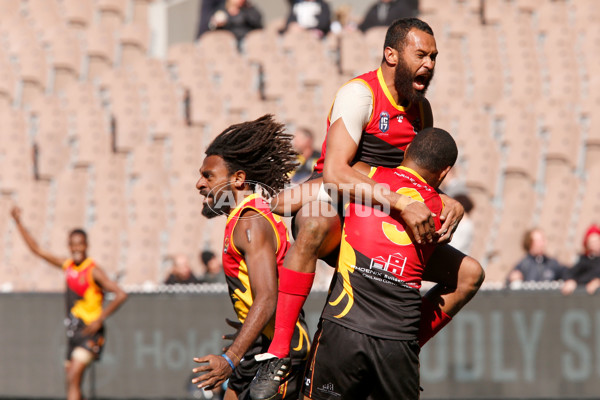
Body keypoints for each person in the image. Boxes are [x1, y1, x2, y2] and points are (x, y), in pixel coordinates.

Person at [250, 18, 485, 400]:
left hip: (384, 222)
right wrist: (401, 202)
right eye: (421, 54)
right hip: (340, 210)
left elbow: (420, 182)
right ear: (391, 55)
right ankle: (279, 355)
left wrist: (446, 200)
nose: (429, 63)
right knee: (310, 225)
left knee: (470, 275)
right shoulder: (360, 94)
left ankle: (400, 348)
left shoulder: (421, 112)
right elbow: (336, 173)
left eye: (434, 57)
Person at [305, 127, 457, 399]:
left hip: (344, 327)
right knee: (470, 274)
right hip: (398, 342)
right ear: (444, 173)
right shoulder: (444, 212)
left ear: (406, 151)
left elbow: (291, 199)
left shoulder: (364, 174)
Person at [191, 115, 310, 400]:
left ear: (238, 178)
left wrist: (230, 358)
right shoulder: (245, 215)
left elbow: (267, 297)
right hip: (260, 343)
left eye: (208, 176)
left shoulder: (250, 222)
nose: (199, 183)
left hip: (281, 350)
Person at [10, 207, 128, 400]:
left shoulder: (93, 270)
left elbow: (121, 294)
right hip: (74, 332)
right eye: (72, 245)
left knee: (73, 377)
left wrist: (100, 319)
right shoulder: (68, 266)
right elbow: (38, 250)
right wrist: (18, 223)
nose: (76, 249)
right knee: (72, 381)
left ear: (86, 245)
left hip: (90, 332)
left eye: (79, 244)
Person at [561, 224, 600, 295]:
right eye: (591, 242)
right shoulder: (584, 259)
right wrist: (571, 281)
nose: (594, 244)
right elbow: (570, 273)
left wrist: (598, 282)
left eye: (596, 241)